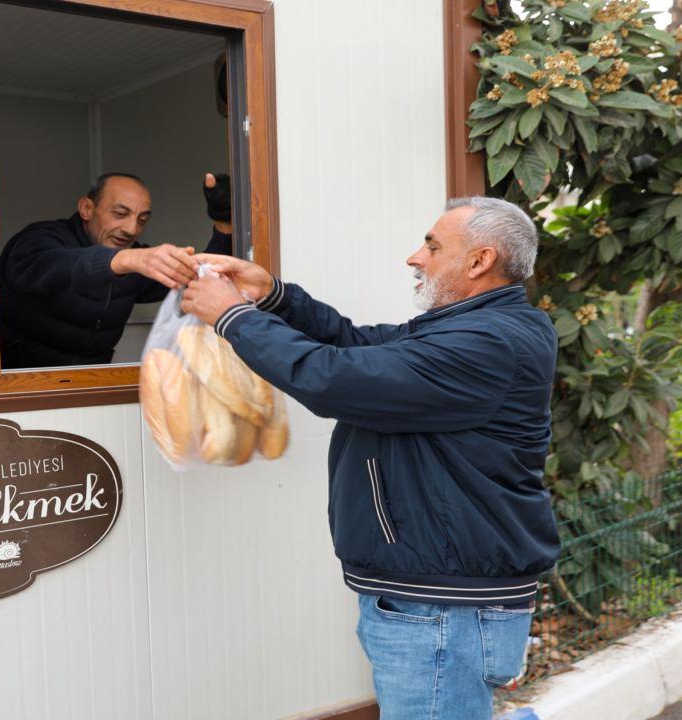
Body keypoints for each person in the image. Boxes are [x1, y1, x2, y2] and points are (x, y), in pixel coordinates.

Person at [180, 197, 560, 719]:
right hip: (440, 594)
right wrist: (274, 297)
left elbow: (334, 379)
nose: (415, 258)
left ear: (479, 261)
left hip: (442, 603)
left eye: (432, 245)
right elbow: (356, 346)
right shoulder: (473, 328)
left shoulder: (485, 342)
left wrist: (231, 316)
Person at [0, 172, 233, 369]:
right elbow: (50, 266)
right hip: (18, 389)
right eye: (120, 214)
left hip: (95, 386)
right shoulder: (40, 238)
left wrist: (224, 225)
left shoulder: (134, 259)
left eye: (142, 220)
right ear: (87, 208)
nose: (131, 229)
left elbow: (196, 279)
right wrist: (124, 260)